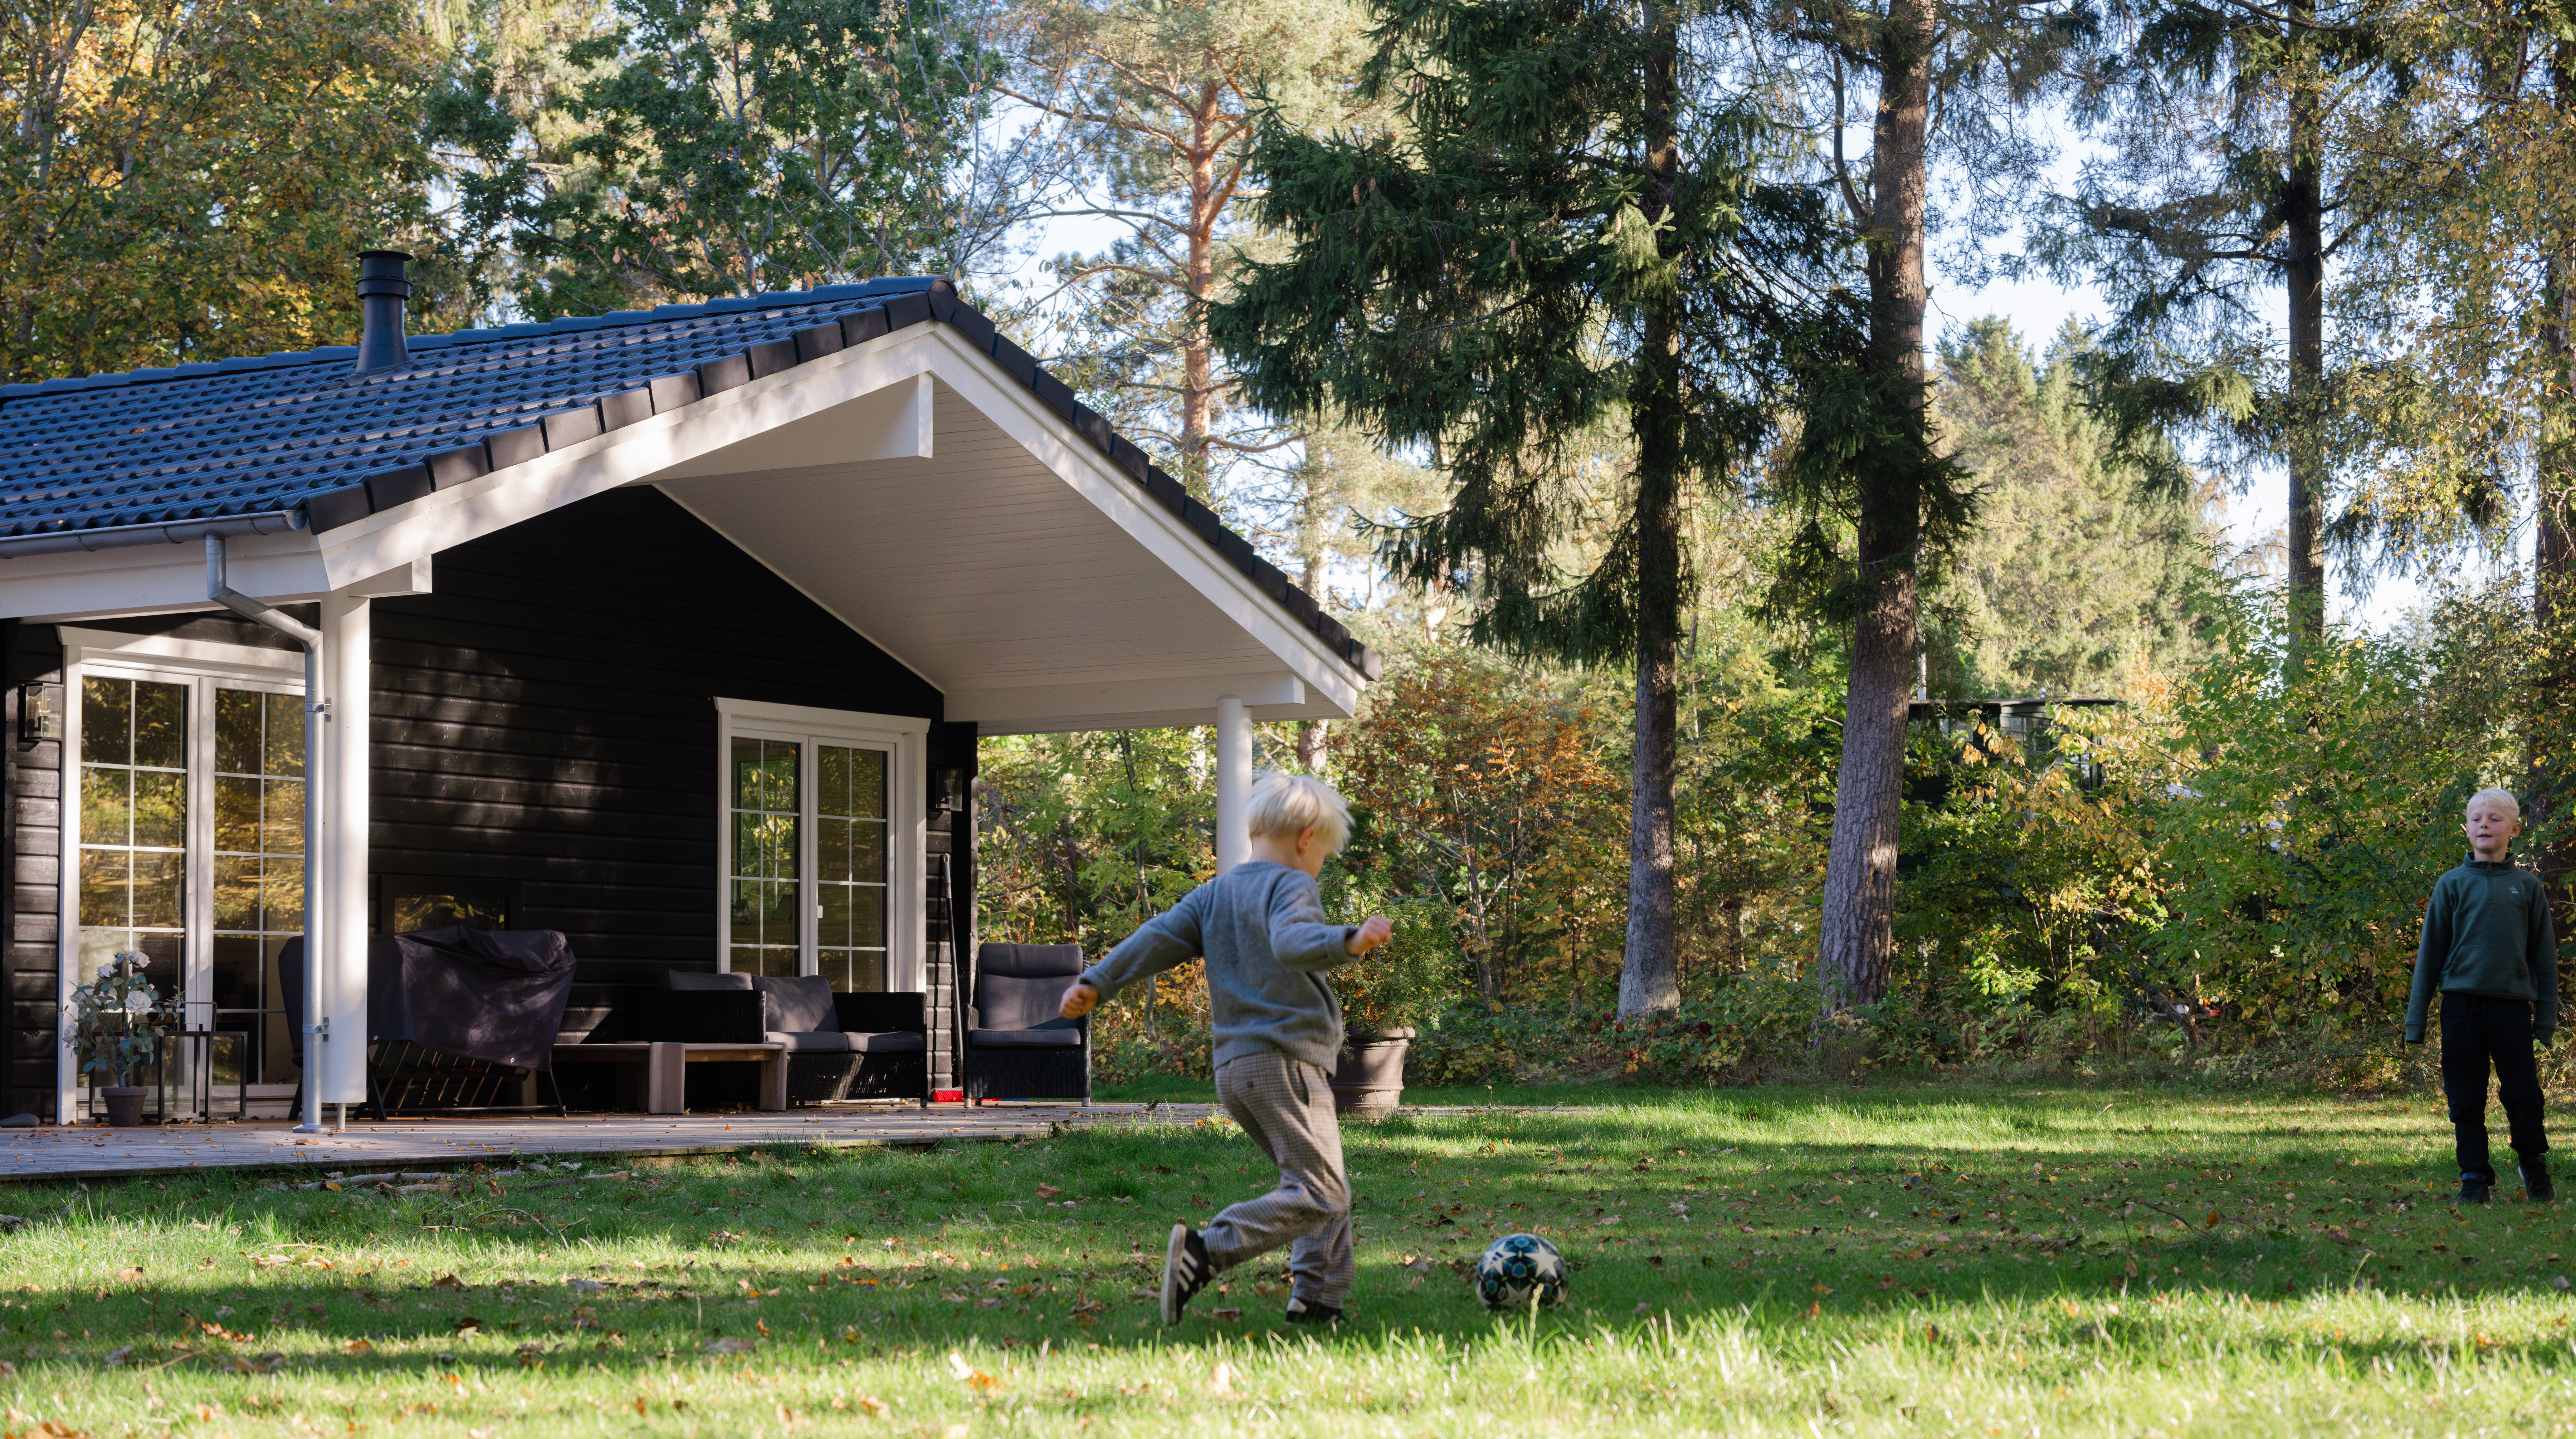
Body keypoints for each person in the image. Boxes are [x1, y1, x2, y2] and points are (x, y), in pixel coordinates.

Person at [1057, 770, 1393, 1325]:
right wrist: (1348, 940)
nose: (1319, 866)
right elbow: (1292, 941)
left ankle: (1318, 1301)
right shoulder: (1292, 885)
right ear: (1307, 838)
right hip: (1285, 1061)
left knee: (1321, 1181)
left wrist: (1098, 981)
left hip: (1237, 1071)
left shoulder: (1214, 895)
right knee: (1322, 1192)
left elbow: (1156, 937)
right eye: (1323, 856)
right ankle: (1206, 1250)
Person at [2405, 786, 2561, 1204]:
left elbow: (2544, 959)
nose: (2484, 826)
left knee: (2523, 1096)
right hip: (2461, 1007)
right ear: (2466, 830)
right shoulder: (2451, 884)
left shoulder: (2527, 888)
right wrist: (2416, 1021)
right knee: (2466, 1097)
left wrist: (2546, 1019)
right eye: (2476, 819)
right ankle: (2475, 1177)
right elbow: (2430, 955)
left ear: (2514, 830)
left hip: (2512, 1008)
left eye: (2494, 819)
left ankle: (2533, 1165)